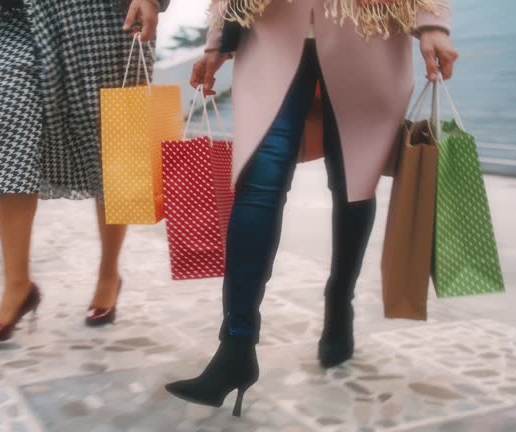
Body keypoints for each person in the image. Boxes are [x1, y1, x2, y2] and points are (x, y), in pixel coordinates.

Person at [165, 0, 458, 417]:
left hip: (366, 32)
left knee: (353, 183)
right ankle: (235, 345)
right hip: (270, 32)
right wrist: (217, 42)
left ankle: (340, 300)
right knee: (256, 185)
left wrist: (432, 24)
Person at [0, 0, 169, 341]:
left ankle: (109, 273)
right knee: (9, 136)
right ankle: (17, 285)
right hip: (20, 16)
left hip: (106, 15)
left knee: (113, 145)